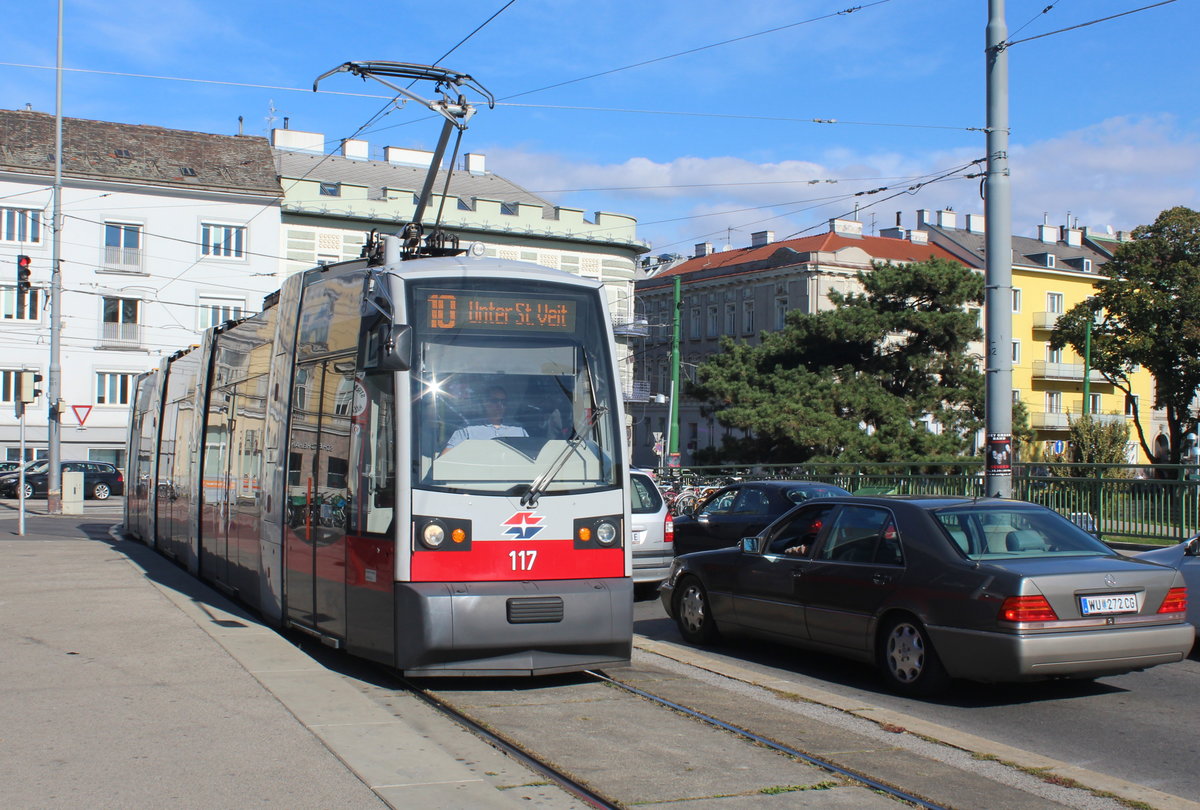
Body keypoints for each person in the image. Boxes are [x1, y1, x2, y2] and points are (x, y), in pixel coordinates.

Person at [443, 384, 528, 451]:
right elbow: (445, 459)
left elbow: (532, 457)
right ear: (485, 402)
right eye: (495, 401)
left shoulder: (518, 429)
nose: (500, 405)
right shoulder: (468, 429)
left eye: (503, 401)